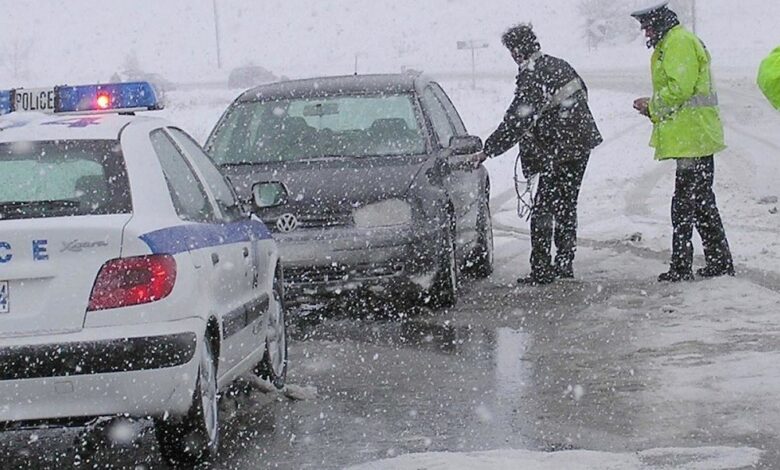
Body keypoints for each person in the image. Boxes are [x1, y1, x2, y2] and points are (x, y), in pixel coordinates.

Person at [477, 24, 603, 285]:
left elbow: (518, 119)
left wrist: (488, 150)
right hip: (579, 144)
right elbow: (581, 94)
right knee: (566, 205)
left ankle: (542, 268)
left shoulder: (532, 74)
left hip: (561, 150)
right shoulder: (558, 64)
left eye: (512, 51)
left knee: (543, 208)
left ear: (516, 51)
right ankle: (564, 263)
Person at [631, 1, 734, 282]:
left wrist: (652, 106)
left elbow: (680, 88)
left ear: (660, 22)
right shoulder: (675, 41)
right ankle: (718, 262)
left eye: (647, 26)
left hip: (694, 138)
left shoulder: (678, 42)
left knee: (685, 206)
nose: (645, 33)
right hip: (693, 137)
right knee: (700, 203)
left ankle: (682, 267)